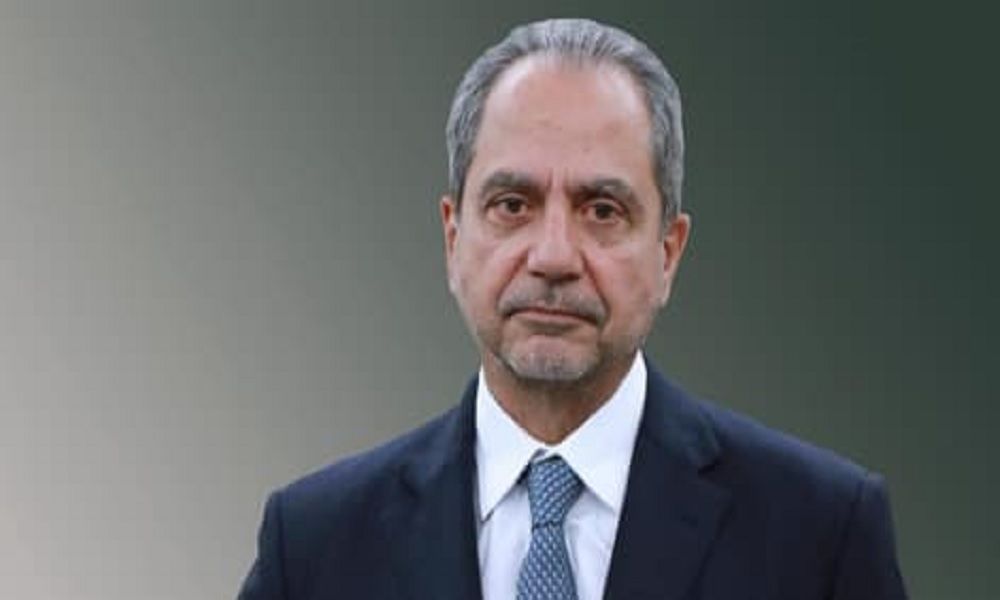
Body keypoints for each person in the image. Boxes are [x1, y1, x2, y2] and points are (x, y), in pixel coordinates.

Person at [238, 18, 907, 600]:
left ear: (669, 252)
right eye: (512, 205)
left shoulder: (820, 534)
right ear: (452, 237)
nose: (554, 256)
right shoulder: (316, 545)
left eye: (602, 211)